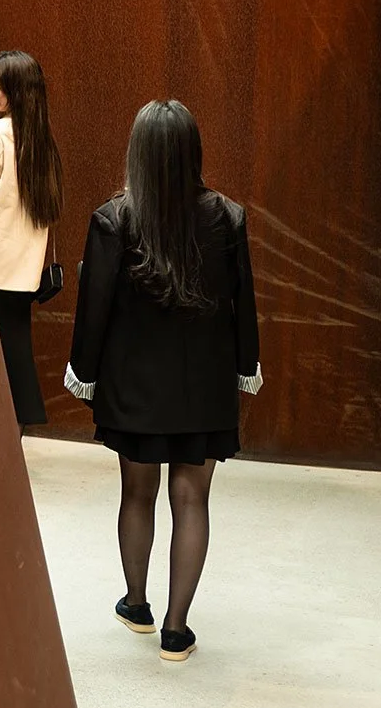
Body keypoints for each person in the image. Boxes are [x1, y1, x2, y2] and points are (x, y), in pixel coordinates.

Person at [64, 100, 262, 662]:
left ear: (138, 153)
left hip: (136, 388)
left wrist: (84, 373)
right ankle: (177, 630)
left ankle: (136, 604)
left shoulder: (114, 219)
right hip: (205, 387)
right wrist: (246, 365)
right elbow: (243, 303)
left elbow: (94, 308)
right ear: (193, 151)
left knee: (137, 493)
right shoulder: (228, 217)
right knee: (192, 499)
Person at [0, 50, 62, 431]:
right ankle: (14, 436)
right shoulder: (42, 141)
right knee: (16, 361)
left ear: (19, 89)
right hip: (23, 276)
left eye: (0, 84)